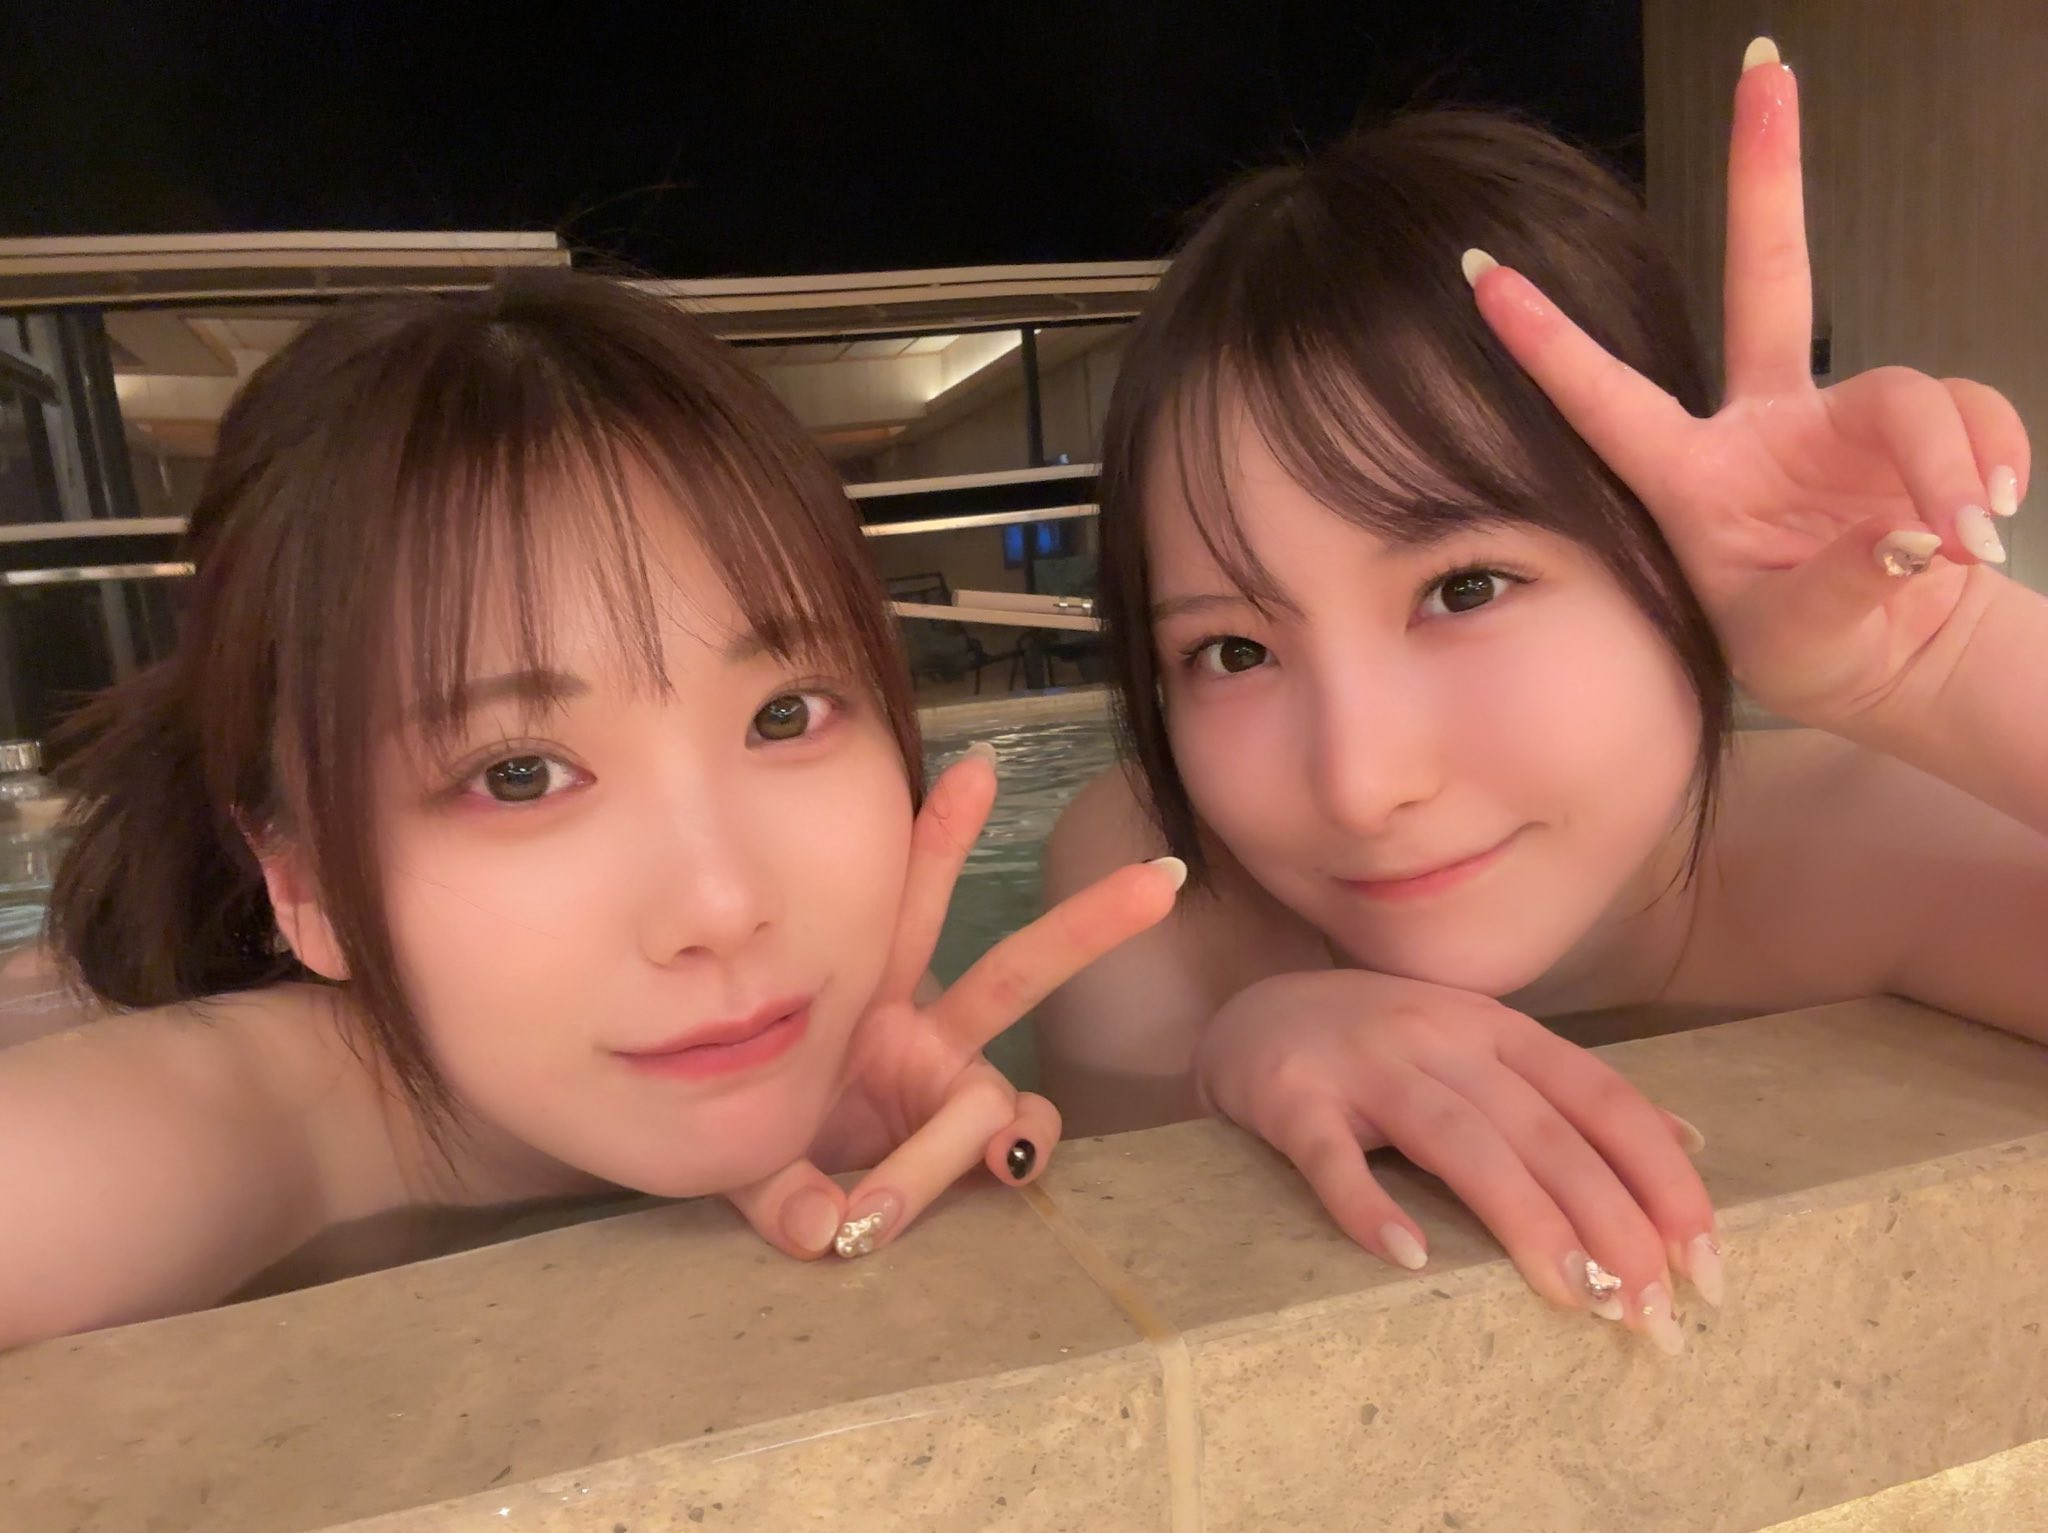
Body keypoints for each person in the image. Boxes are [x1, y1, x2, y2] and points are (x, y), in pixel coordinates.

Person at [1038, 37, 2043, 1356]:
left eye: (1463, 589)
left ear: (1676, 562)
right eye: (1231, 653)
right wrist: (1232, 1048)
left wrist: (1943, 664)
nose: (1361, 782)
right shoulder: (1151, 893)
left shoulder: (1854, 858)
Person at [0, 272, 1184, 1350]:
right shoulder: (231, 1116)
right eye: (517, 774)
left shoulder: (857, 1000)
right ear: (303, 882)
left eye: (784, 715)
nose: (723, 907)